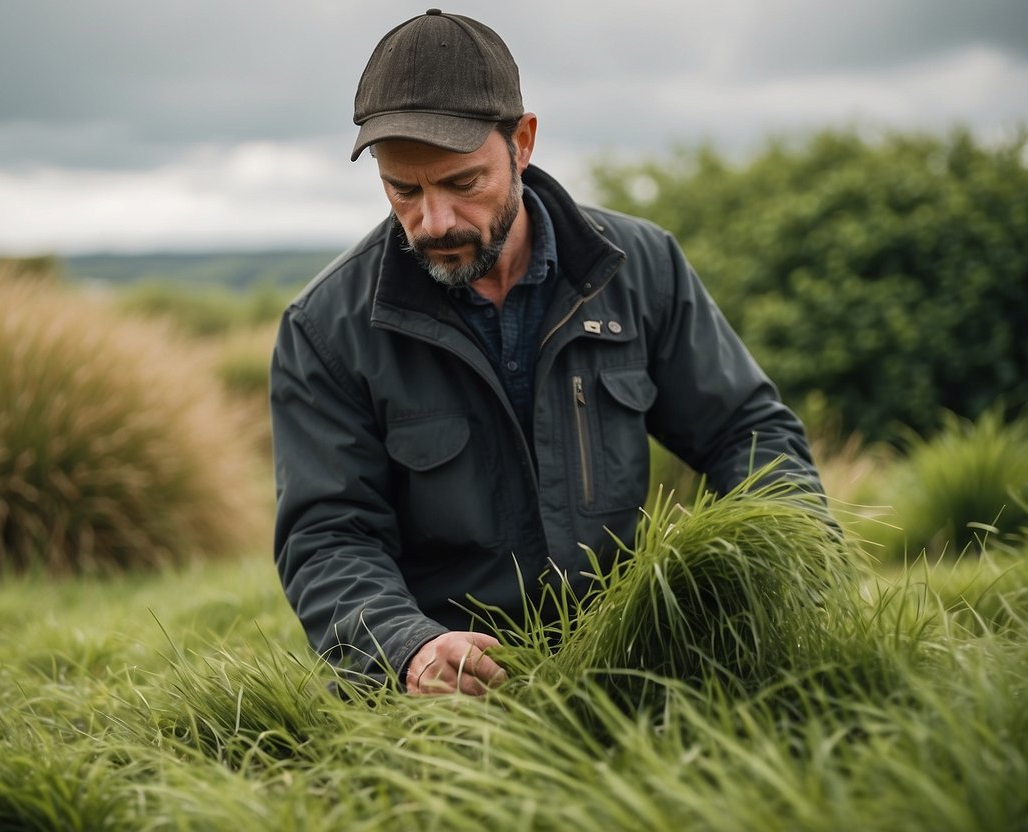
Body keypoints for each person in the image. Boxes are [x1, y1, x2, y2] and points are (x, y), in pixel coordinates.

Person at [270, 9, 824, 697]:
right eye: (402, 189)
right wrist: (407, 649)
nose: (433, 221)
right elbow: (327, 537)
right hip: (447, 705)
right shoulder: (322, 328)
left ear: (522, 143)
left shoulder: (641, 266)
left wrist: (798, 579)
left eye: (462, 183)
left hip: (634, 663)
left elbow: (747, 431)